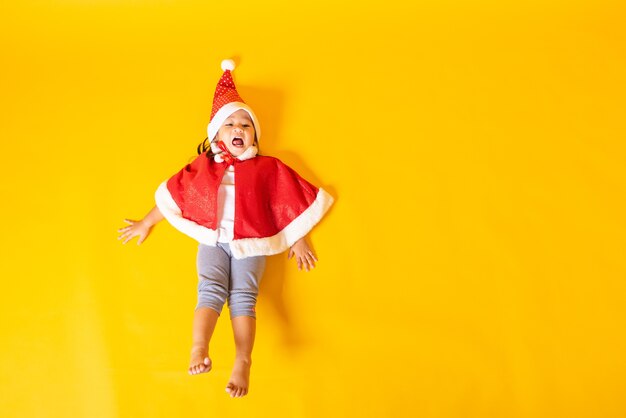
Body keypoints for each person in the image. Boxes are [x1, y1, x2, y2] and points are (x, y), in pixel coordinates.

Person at [117, 59, 334, 398]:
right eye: (229, 123)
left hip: (252, 243)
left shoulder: (268, 167)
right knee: (210, 289)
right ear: (216, 133)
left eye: (245, 125)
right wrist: (147, 221)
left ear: (254, 135)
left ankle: (242, 361)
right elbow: (177, 195)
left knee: (243, 298)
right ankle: (198, 347)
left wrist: (299, 237)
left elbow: (287, 203)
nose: (238, 129)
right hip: (213, 240)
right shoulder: (203, 167)